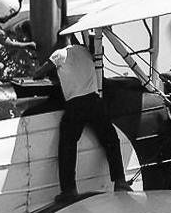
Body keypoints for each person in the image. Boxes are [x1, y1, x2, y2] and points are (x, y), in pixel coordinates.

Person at [33, 35, 130, 204]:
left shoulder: (59, 54)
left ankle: (69, 190)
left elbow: (37, 74)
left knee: (67, 146)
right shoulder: (86, 51)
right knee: (110, 139)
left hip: (75, 104)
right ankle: (120, 180)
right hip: (94, 101)